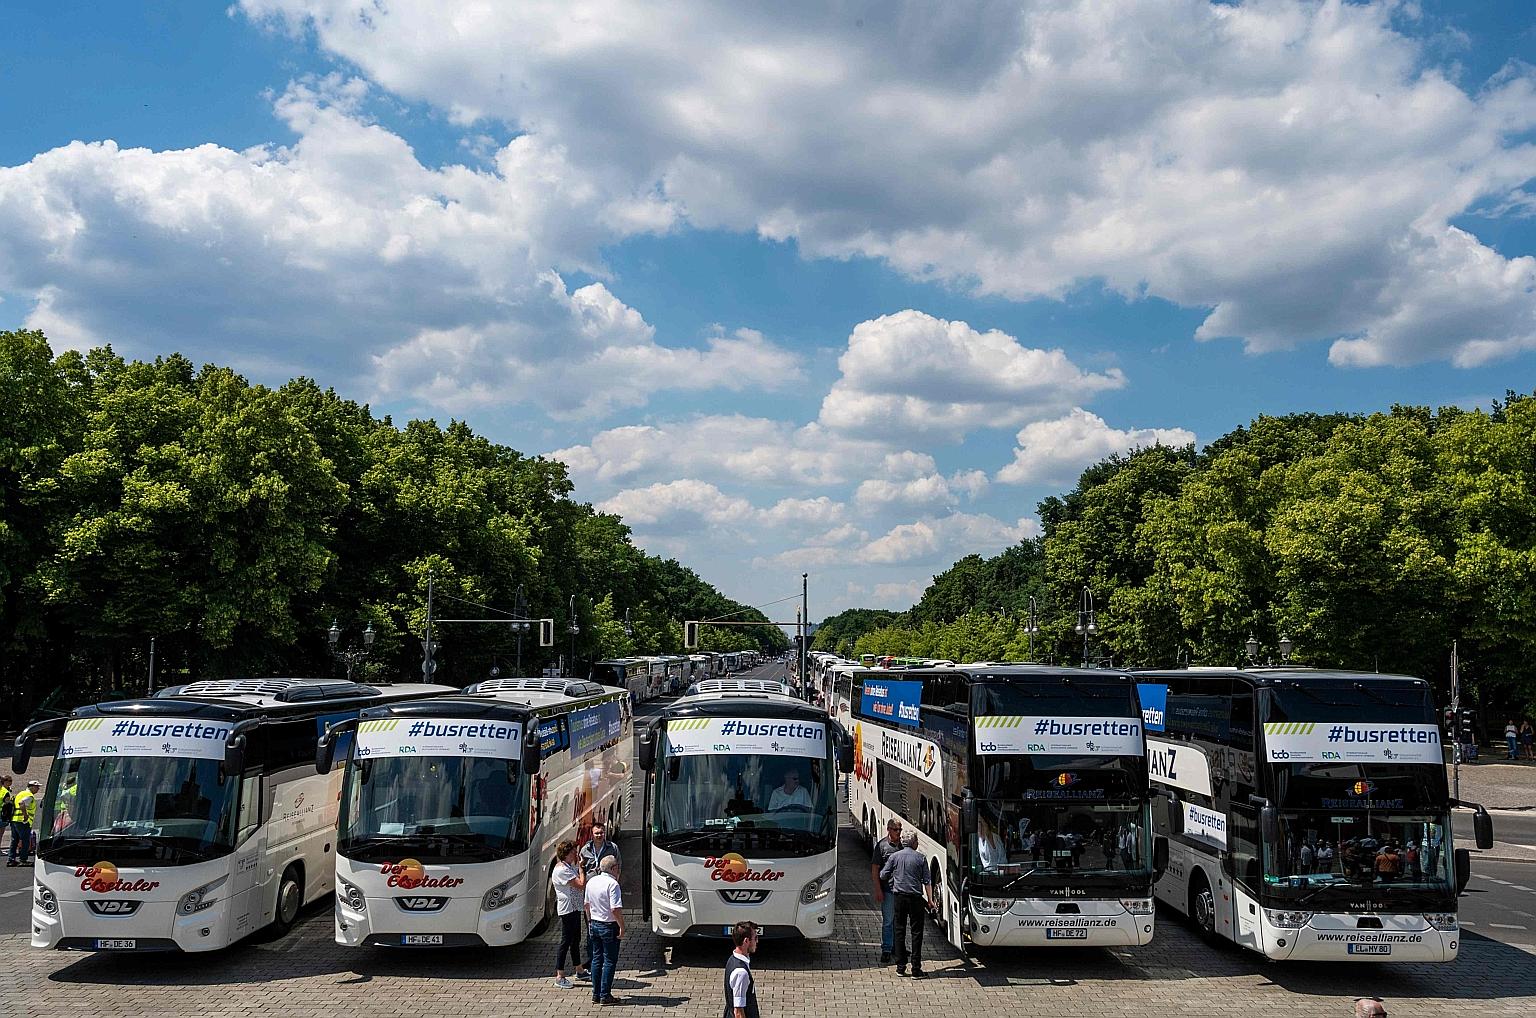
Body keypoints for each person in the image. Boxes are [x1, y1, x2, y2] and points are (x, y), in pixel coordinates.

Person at [880, 831, 936, 978]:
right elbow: (927, 881)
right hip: (915, 899)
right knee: (916, 932)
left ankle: (900, 967)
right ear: (914, 843)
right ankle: (916, 969)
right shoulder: (921, 858)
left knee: (899, 930)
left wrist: (894, 877)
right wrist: (930, 900)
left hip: (899, 897)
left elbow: (883, 874)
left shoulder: (894, 857)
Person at [580, 821, 621, 980]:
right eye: (597, 833)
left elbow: (619, 866)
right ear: (592, 834)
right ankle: (592, 961)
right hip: (592, 892)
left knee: (606, 924)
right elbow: (582, 868)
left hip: (606, 891)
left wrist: (615, 884)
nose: (599, 835)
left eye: (602, 832)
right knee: (592, 928)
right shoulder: (585, 849)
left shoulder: (612, 848)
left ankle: (600, 959)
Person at [584, 855, 624, 1006]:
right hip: (609, 926)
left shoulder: (592, 881)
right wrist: (622, 926)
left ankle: (596, 993)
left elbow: (586, 905)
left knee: (596, 959)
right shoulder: (613, 884)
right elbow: (615, 909)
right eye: (618, 868)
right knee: (609, 961)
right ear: (613, 868)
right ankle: (605, 994)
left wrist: (590, 922)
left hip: (594, 924)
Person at [551, 840, 589, 988]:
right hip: (567, 909)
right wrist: (581, 868)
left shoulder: (568, 866)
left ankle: (579, 969)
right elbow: (581, 884)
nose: (576, 854)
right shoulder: (562, 870)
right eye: (574, 851)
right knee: (566, 941)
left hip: (575, 907)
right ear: (566, 853)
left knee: (575, 939)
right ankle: (560, 975)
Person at [871, 818, 903, 964]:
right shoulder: (882, 846)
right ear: (889, 830)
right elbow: (875, 868)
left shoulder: (903, 846)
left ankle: (898, 947)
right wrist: (878, 889)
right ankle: (886, 949)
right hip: (888, 890)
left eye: (900, 830)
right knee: (888, 921)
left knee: (899, 921)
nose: (899, 833)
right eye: (896, 830)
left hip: (901, 890)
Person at [723, 920, 760, 1018]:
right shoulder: (741, 972)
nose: (757, 941)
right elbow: (738, 1012)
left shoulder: (732, 959)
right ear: (746, 941)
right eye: (755, 938)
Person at [10, 781, 38, 866]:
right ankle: (23, 860)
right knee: (25, 840)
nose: (38, 789)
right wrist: (25, 816)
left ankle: (11, 860)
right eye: (36, 787)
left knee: (14, 840)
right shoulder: (29, 796)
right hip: (23, 821)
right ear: (31, 787)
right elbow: (21, 803)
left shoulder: (20, 793)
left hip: (15, 819)